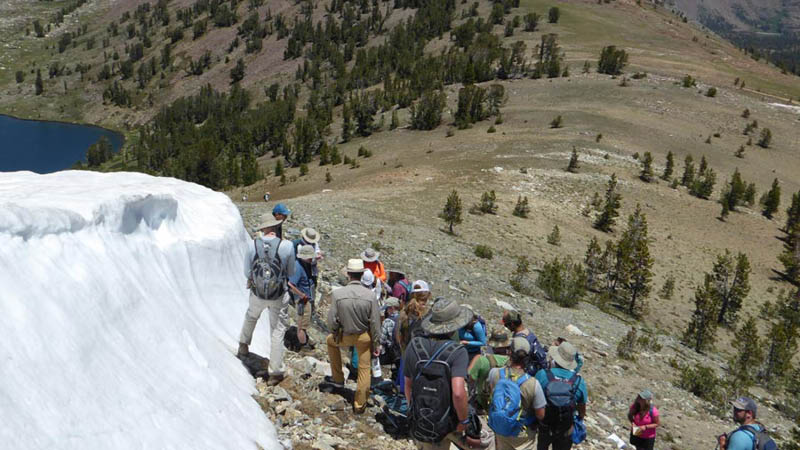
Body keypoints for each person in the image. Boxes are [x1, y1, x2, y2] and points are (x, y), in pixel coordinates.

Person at [404, 297, 473, 450]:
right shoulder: (458, 351)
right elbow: (458, 393)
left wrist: (415, 412)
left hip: (421, 417)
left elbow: (408, 385)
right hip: (446, 419)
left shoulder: (414, 345)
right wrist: (463, 421)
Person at [237, 216, 296, 386]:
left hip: (257, 293)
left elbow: (247, 272)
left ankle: (243, 345)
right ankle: (275, 371)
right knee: (277, 330)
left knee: (251, 316)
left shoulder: (252, 244)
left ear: (264, 229)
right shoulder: (287, 246)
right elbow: (290, 271)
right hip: (278, 295)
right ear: (277, 228)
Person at [325, 259, 381, 414]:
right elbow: (375, 322)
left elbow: (332, 319)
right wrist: (377, 343)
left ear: (349, 274)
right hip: (363, 336)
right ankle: (359, 403)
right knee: (364, 369)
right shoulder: (370, 296)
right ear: (362, 274)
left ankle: (337, 379)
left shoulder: (338, 294)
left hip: (345, 334)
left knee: (330, 342)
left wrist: (335, 331)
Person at [487, 337, 546, 450]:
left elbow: (492, 396)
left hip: (500, 428)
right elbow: (541, 414)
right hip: (522, 435)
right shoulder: (533, 384)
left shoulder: (494, 373)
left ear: (509, 352)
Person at [534, 341, 588, 450]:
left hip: (545, 425)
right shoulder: (578, 381)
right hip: (565, 428)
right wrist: (580, 418)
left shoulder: (542, 374)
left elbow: (533, 398)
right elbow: (582, 407)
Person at [468, 331, 512, 413]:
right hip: (505, 404)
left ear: (493, 346)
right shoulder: (512, 362)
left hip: (483, 403)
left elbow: (470, 378)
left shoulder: (482, 360)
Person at [502, 310, 548, 375]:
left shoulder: (520, 340)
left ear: (512, 324)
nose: (507, 327)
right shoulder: (529, 333)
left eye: (506, 325)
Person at [288, 244, 316, 349]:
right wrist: (301, 295)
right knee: (301, 326)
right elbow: (290, 284)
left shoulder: (302, 265)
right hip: (302, 301)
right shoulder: (298, 267)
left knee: (304, 324)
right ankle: (303, 347)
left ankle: (303, 344)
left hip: (305, 299)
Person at [379, 297, 401, 366]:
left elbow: (382, 340)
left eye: (387, 308)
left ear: (392, 308)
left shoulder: (387, 321)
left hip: (392, 352)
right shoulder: (403, 317)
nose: (386, 311)